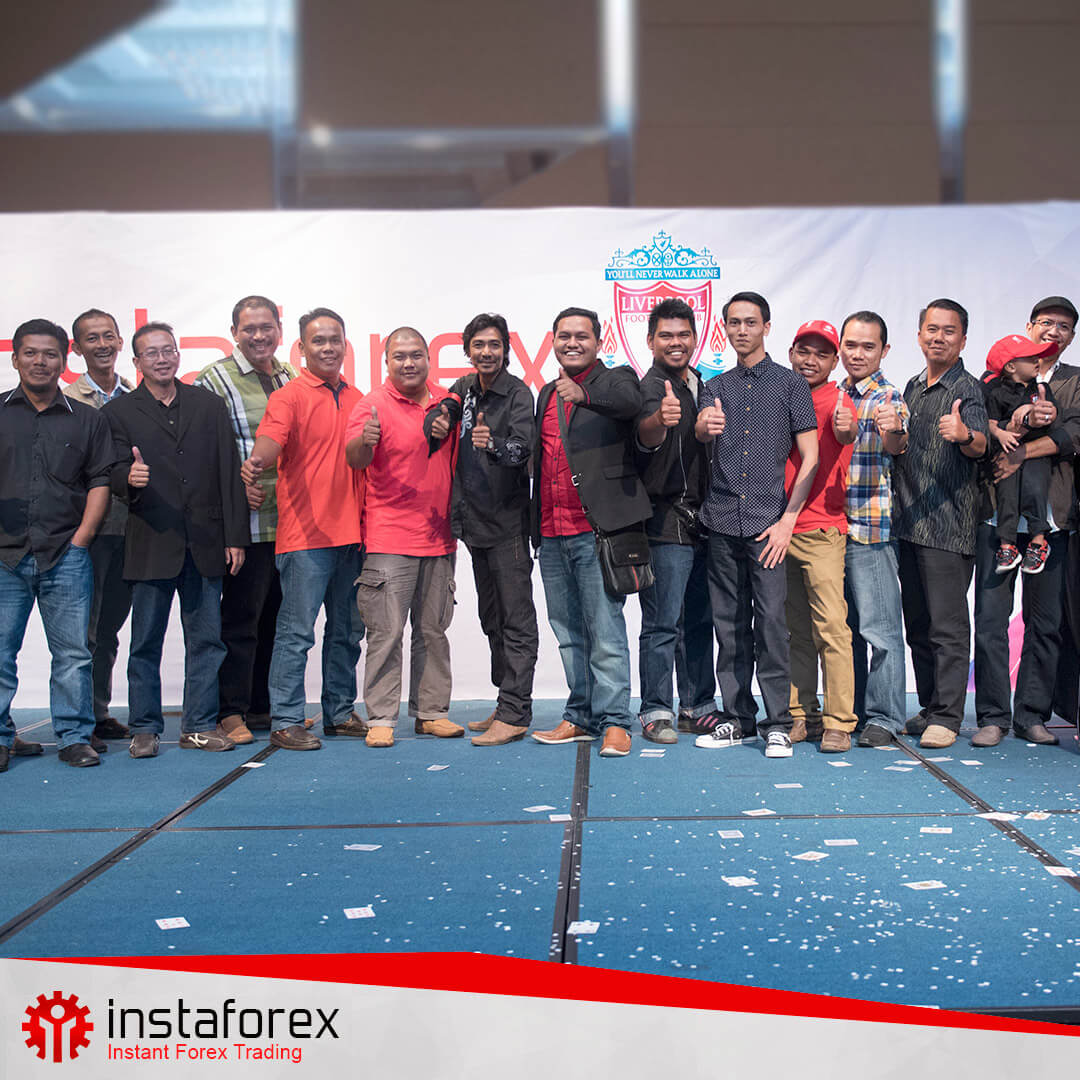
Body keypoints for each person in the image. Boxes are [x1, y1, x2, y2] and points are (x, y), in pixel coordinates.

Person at [104, 322, 249, 758]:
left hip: (206, 541)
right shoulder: (119, 412)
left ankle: (199, 725)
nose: (162, 359)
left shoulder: (208, 405)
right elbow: (110, 470)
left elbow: (229, 472)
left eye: (168, 350)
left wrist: (235, 537)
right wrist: (127, 477)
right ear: (137, 362)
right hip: (151, 541)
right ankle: (145, 727)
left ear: (178, 356)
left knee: (206, 641)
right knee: (145, 642)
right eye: (151, 353)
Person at [694, 292, 818, 758]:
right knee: (728, 627)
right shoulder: (713, 387)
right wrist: (701, 427)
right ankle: (737, 719)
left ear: (767, 326)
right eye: (733, 322)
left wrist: (788, 520)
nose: (741, 330)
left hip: (770, 527)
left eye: (750, 322)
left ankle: (778, 724)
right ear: (724, 328)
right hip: (722, 521)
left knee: (770, 626)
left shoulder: (791, 384)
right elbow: (701, 436)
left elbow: (810, 456)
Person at [242, 308, 366, 751]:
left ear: (345, 345)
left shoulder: (358, 398)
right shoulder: (288, 397)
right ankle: (287, 720)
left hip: (354, 538)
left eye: (335, 340)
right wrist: (258, 460)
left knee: (347, 633)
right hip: (305, 539)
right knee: (296, 634)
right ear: (302, 348)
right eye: (318, 341)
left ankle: (339, 712)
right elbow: (270, 442)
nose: (328, 348)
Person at [529, 306, 651, 758]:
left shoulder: (616, 379)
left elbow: (631, 405)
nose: (572, 343)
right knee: (567, 632)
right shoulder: (547, 393)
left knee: (605, 632)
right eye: (564, 336)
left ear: (599, 342)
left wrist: (583, 394)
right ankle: (580, 715)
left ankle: (616, 721)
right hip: (551, 532)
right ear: (553, 341)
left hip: (595, 531)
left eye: (582, 336)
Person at [0, 318, 114, 770]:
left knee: (73, 654)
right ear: (15, 359)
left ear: (64, 361)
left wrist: (81, 540)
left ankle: (74, 737)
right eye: (30, 353)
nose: (40, 361)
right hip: (3, 557)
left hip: (66, 554)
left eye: (50, 354)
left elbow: (100, 482)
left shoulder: (87, 419)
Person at [345, 327, 463, 748]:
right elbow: (354, 457)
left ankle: (432, 713)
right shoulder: (371, 404)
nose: (409, 363)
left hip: (440, 537)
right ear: (387, 362)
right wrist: (365, 441)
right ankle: (380, 717)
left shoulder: (447, 400)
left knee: (433, 631)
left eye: (416, 355)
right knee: (386, 633)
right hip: (388, 539)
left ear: (429, 358)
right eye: (399, 356)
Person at [975, 297, 1080, 747]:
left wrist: (1023, 452)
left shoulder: (1075, 381)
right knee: (990, 620)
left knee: (1046, 623)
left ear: (1071, 337)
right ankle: (992, 715)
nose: (1054, 331)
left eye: (1065, 326)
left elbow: (1074, 434)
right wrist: (1009, 432)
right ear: (1029, 326)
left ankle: (1033, 714)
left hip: (1051, 519)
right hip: (996, 515)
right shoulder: (993, 378)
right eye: (1046, 322)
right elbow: (979, 431)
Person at [195, 296, 297, 744]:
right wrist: (235, 487)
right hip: (246, 525)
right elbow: (201, 450)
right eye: (249, 328)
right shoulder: (213, 379)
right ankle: (229, 710)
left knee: (276, 620)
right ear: (234, 332)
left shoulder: (290, 376)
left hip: (290, 522)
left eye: (266, 327)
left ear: (279, 329)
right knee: (240, 621)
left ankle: (261, 706)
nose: (259, 336)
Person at [434, 313, 539, 747]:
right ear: (467, 351)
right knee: (490, 618)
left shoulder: (517, 393)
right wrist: (439, 418)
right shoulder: (464, 388)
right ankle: (505, 700)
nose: (487, 352)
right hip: (473, 523)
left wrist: (492, 444)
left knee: (516, 621)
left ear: (506, 350)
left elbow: (523, 450)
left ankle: (516, 712)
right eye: (478, 345)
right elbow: (443, 409)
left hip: (508, 525)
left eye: (494, 344)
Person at [894, 299, 988, 750]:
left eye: (949, 331)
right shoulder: (913, 386)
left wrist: (965, 435)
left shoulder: (967, 389)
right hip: (907, 525)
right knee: (918, 626)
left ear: (963, 340)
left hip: (948, 529)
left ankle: (949, 716)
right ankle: (931, 707)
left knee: (947, 629)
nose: (939, 337)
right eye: (931, 329)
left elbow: (981, 444)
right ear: (919, 336)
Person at [633, 297, 719, 743]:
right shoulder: (649, 388)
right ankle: (654, 710)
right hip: (664, 522)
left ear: (695, 337)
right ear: (650, 341)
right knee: (662, 623)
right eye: (666, 335)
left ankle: (698, 706)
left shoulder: (702, 384)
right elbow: (645, 434)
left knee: (699, 621)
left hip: (706, 521)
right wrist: (659, 422)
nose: (675, 342)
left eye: (683, 334)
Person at [783, 320, 859, 753]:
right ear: (791, 353)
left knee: (831, 628)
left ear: (834, 362)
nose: (811, 360)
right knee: (795, 630)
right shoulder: (779, 394)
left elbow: (846, 431)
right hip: (778, 529)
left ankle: (839, 722)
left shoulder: (839, 400)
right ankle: (802, 714)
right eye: (804, 351)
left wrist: (848, 427)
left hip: (822, 529)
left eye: (822, 354)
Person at [837, 311, 910, 748]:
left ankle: (885, 716)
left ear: (884, 351)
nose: (858, 354)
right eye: (851, 345)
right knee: (843, 632)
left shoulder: (888, 396)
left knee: (880, 631)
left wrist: (893, 430)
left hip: (872, 530)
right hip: (831, 530)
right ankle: (853, 710)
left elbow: (896, 443)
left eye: (868, 346)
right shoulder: (833, 393)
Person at [66, 308, 135, 749]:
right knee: (84, 633)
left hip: (132, 529)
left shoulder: (136, 395)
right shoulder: (68, 402)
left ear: (120, 342)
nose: (102, 345)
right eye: (92, 338)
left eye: (109, 336)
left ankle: (99, 711)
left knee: (109, 628)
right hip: (89, 532)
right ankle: (79, 719)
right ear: (77, 348)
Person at [982, 335, 1060, 575]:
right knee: (1006, 494)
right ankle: (1007, 545)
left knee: (1035, 488)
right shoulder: (995, 390)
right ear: (1011, 366)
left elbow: (1052, 414)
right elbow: (989, 422)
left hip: (1036, 454)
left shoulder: (1041, 388)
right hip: (1007, 452)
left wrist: (1032, 409)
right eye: (1030, 357)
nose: (1038, 360)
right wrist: (1001, 433)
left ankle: (1038, 541)